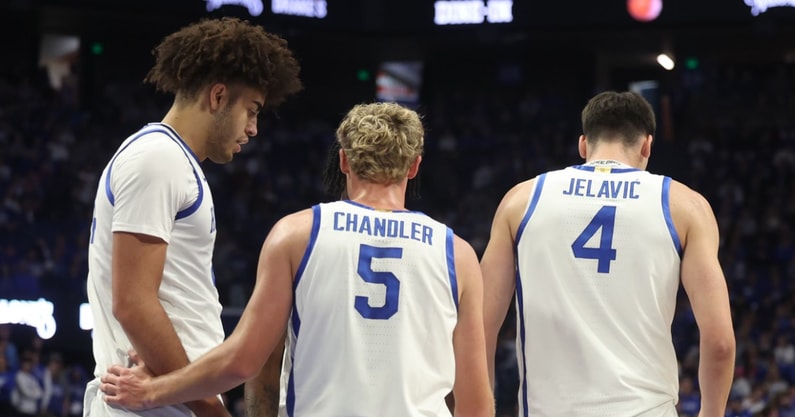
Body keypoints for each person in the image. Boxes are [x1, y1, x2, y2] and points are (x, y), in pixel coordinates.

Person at [97, 102, 495, 417]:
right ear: (414, 166)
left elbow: (244, 361)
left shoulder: (296, 234)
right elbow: (476, 407)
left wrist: (152, 391)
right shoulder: (457, 254)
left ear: (343, 162)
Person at [83, 17, 302, 417]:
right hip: (153, 405)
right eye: (252, 111)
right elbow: (132, 302)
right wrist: (211, 411)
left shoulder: (170, 161)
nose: (254, 129)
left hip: (168, 401)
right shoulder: (158, 159)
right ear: (218, 96)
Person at [480, 91, 735, 417]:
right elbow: (720, 343)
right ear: (647, 146)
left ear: (583, 145)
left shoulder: (522, 200)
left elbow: (478, 330)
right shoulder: (685, 206)